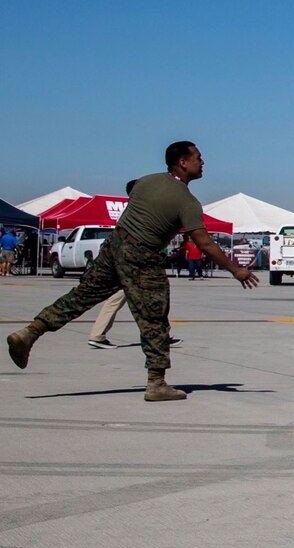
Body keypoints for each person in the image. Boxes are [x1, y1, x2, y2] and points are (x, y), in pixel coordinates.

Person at [7, 141, 260, 401]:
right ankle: (156, 383)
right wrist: (235, 269)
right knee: (154, 318)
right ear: (182, 162)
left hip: (114, 246)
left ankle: (29, 333)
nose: (202, 161)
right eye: (197, 157)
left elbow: (132, 188)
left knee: (81, 296)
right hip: (142, 255)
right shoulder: (187, 201)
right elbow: (204, 243)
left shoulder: (146, 181)